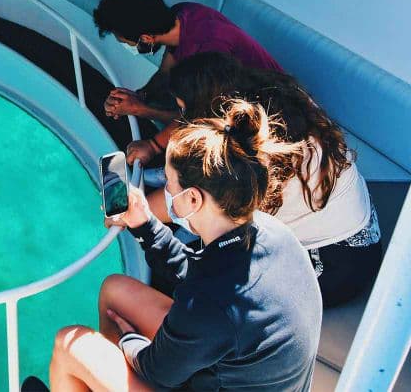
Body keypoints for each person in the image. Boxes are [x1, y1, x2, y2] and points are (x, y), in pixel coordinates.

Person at [44, 100, 322, 391]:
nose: (164, 190)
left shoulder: (211, 304)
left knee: (69, 345)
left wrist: (127, 340)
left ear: (193, 199)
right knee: (116, 289)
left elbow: (156, 370)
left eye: (169, 182)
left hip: (195, 370)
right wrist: (144, 224)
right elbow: (199, 274)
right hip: (233, 362)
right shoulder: (269, 232)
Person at [146, 52, 382, 307]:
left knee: (199, 288)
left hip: (335, 267)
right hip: (363, 229)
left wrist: (135, 213)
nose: (181, 120)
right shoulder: (277, 97)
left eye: (184, 110)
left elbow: (177, 206)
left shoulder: (246, 156)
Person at [93, 0, 283, 165]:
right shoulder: (182, 14)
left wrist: (152, 143)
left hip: (272, 113)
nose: (128, 47)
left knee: (200, 140)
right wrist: (140, 96)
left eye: (127, 43)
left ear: (146, 38)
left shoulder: (209, 51)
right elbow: (165, 73)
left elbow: (201, 117)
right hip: (225, 96)